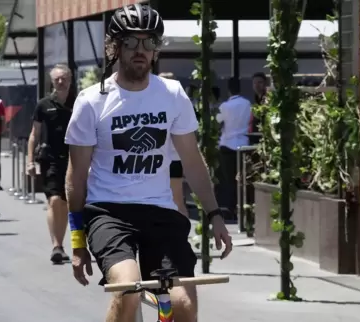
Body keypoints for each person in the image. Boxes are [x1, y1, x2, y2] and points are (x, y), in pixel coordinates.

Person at [64, 4, 232, 322]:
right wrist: (77, 242)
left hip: (160, 213)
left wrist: (215, 215)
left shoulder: (172, 94)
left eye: (149, 42)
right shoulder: (91, 100)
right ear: (115, 47)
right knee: (128, 290)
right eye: (131, 42)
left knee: (181, 306)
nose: (140, 50)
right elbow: (76, 177)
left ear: (156, 49)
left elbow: (193, 162)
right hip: (108, 213)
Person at [27, 64, 73, 264]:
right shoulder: (44, 104)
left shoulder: (79, 102)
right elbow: (34, 135)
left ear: (70, 79)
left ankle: (62, 244)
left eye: (63, 78)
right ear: (52, 81)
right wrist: (29, 161)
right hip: (50, 159)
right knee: (54, 201)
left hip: (73, 159)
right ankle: (57, 245)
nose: (60, 82)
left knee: (65, 203)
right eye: (57, 79)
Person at [215, 77, 251, 216]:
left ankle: (231, 207)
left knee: (229, 179)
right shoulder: (247, 103)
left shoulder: (225, 106)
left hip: (227, 144)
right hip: (243, 144)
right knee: (242, 178)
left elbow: (218, 121)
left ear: (229, 90)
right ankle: (242, 207)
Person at [159, 72, 189, 216]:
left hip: (165, 159)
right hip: (172, 158)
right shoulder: (179, 103)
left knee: (173, 201)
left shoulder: (158, 104)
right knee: (177, 201)